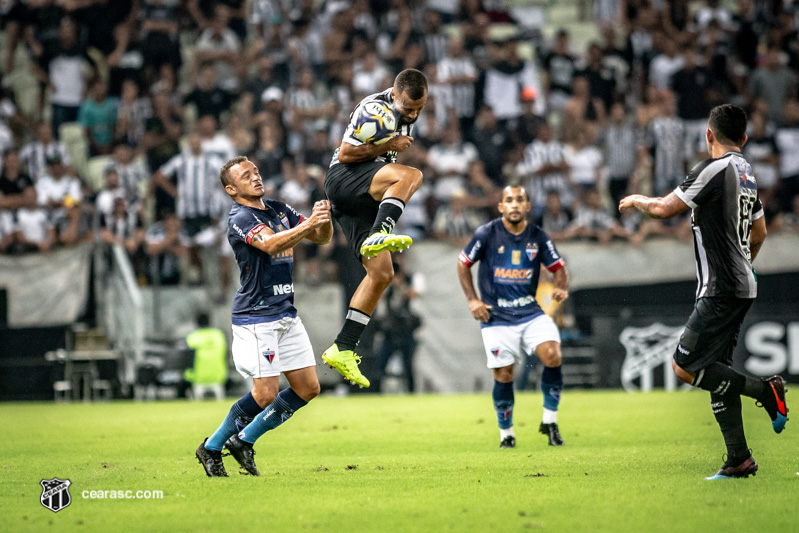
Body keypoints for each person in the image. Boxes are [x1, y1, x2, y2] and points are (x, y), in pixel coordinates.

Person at [619, 104, 788, 480]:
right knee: (716, 369)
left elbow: (664, 209)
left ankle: (765, 390)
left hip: (721, 288)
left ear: (709, 135)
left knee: (684, 366)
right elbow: (759, 233)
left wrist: (636, 201)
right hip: (742, 284)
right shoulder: (747, 174)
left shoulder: (714, 169)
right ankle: (739, 458)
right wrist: (746, 263)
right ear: (743, 138)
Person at [196, 156, 333, 477]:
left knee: (308, 388)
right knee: (265, 393)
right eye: (246, 176)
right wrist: (309, 224)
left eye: (255, 172)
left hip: (285, 312)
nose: (256, 177)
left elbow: (321, 238)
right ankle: (211, 447)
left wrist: (322, 219)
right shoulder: (240, 218)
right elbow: (270, 245)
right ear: (232, 189)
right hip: (256, 316)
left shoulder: (279, 209)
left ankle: (244, 440)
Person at [321, 68, 428, 388]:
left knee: (382, 274)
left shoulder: (405, 109)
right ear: (394, 95)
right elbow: (346, 153)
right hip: (343, 179)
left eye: (419, 109)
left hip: (359, 198)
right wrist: (388, 145)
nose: (413, 114)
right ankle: (381, 231)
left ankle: (342, 347)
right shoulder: (376, 110)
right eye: (408, 108)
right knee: (411, 176)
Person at [457, 185, 570, 449]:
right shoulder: (486, 233)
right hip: (496, 316)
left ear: (528, 206)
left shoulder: (539, 237)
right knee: (504, 375)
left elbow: (558, 267)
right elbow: (463, 264)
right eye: (509, 200)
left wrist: (561, 286)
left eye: (520, 200)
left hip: (530, 311)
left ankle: (549, 422)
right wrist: (473, 300)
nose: (515, 204)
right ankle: (506, 434)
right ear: (501, 207)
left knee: (553, 355)